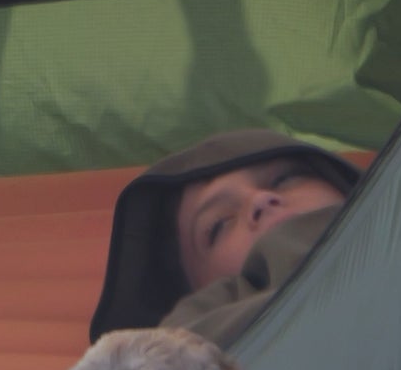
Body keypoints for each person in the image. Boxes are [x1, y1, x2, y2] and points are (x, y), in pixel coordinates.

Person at [88, 129, 361, 348]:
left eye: (284, 179)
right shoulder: (191, 343)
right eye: (219, 225)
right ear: (199, 289)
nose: (260, 200)